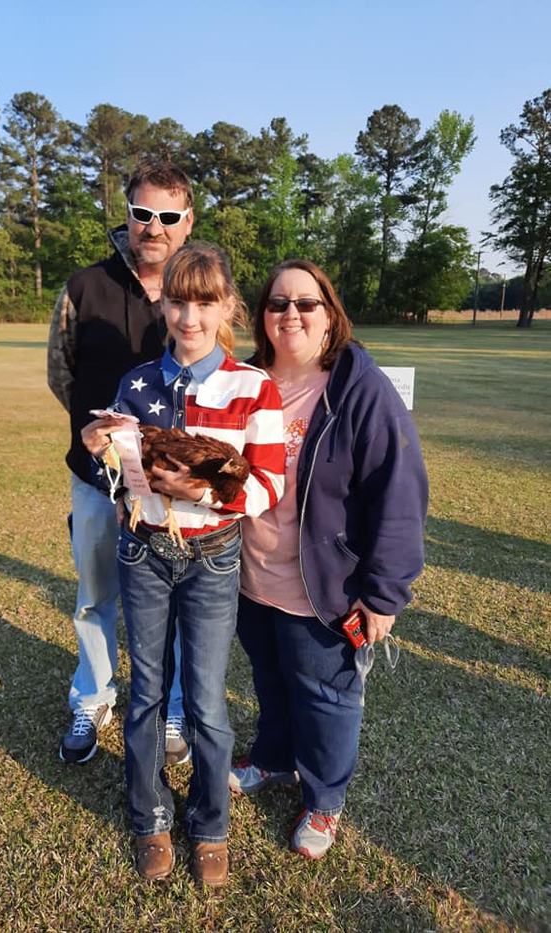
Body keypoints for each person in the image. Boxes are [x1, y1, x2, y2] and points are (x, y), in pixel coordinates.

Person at [82, 243, 284, 885]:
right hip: (145, 552)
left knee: (205, 701)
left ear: (228, 306)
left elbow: (270, 484)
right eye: (177, 300)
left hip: (214, 557)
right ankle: (149, 818)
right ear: (162, 303)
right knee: (145, 694)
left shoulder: (255, 389)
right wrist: (98, 452)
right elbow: (117, 477)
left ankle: (210, 824)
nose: (189, 316)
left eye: (204, 301)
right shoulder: (137, 385)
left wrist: (208, 493)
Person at [230, 259, 428, 860]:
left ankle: (324, 798)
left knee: (327, 696)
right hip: (248, 577)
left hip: (324, 585)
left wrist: (384, 593)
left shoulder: (357, 388)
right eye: (278, 303)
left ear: (328, 316)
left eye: (305, 303)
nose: (291, 313)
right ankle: (273, 758)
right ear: (262, 317)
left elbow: (399, 491)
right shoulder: (245, 380)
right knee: (271, 680)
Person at [47, 160, 195, 767]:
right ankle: (94, 694)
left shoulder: (201, 286)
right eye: (141, 214)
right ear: (127, 214)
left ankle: (176, 705)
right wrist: (102, 438)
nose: (152, 227)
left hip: (177, 489)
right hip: (98, 479)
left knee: (181, 602)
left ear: (186, 223)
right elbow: (62, 373)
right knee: (95, 592)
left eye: (166, 216)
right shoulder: (85, 286)